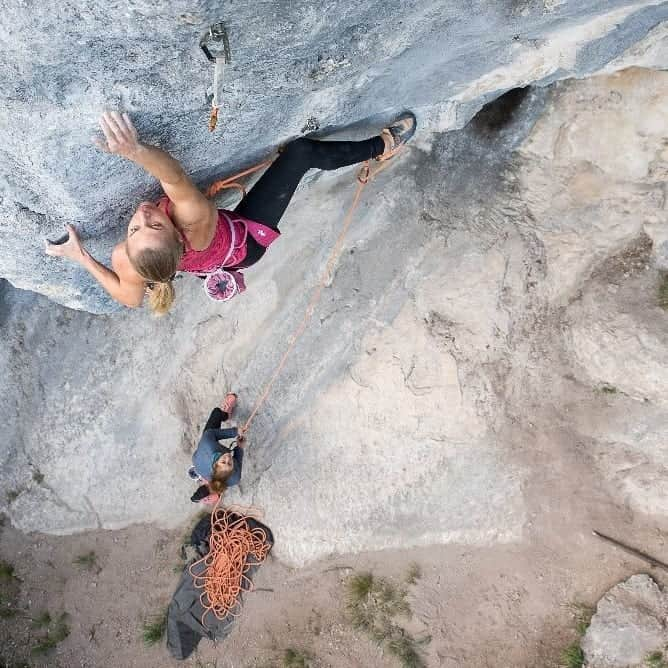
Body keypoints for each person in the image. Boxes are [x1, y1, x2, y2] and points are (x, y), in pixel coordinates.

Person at [45, 111, 416, 314]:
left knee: (296, 155)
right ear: (175, 234)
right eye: (152, 222)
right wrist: (134, 151)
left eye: (135, 227)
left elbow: (130, 298)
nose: (141, 214)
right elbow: (172, 177)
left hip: (216, 255)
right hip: (245, 241)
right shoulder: (194, 223)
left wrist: (81, 257)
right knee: (301, 153)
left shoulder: (133, 257)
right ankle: (381, 146)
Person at [189, 393, 245, 504]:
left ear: (215, 464)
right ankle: (212, 492)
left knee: (216, 413)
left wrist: (235, 431)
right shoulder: (235, 477)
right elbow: (237, 459)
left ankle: (225, 414)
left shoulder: (207, 444)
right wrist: (240, 446)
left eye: (223, 461)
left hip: (207, 451)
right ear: (232, 470)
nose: (228, 458)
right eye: (229, 463)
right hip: (205, 467)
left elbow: (213, 434)